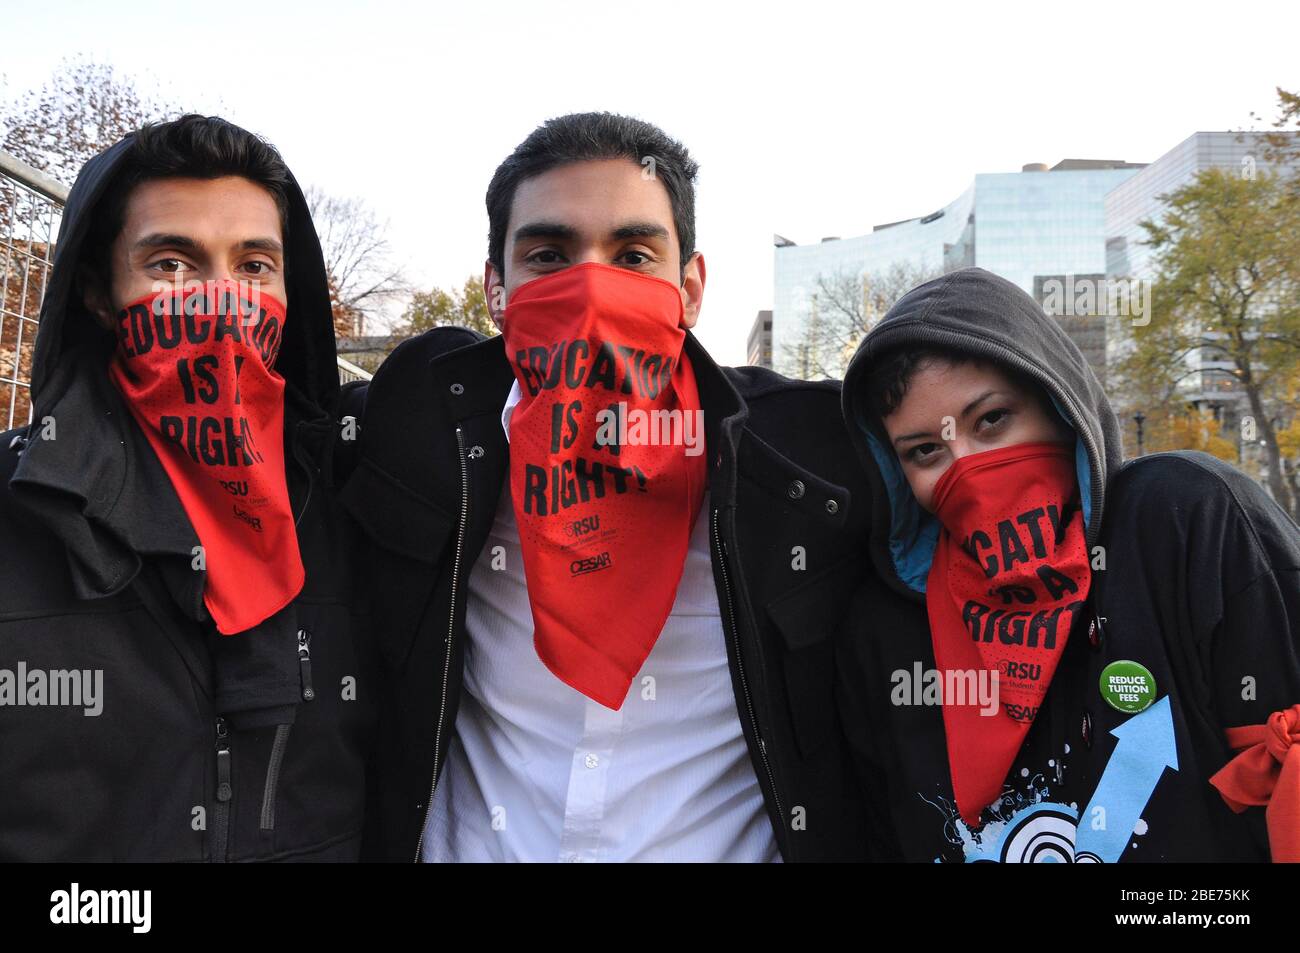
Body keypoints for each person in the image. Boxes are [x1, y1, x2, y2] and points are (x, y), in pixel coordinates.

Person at [345, 112, 883, 862]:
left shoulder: (806, 454)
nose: (591, 288)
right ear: (496, 289)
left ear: (691, 288)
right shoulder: (424, 420)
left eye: (633, 255)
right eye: (549, 255)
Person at [0, 115, 378, 861]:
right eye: (171, 264)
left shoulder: (359, 498)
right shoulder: (16, 513)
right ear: (99, 294)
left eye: (254, 267)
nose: (220, 300)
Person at [836, 266, 1300, 862]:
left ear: (1060, 407)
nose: (968, 470)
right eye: (925, 451)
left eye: (993, 420)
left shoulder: (1184, 523)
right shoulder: (880, 633)